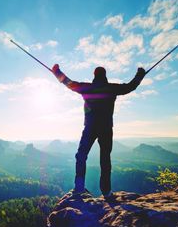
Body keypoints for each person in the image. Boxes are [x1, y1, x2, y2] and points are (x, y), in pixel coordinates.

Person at [52, 64, 146, 198]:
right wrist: (140, 74)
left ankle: (79, 188)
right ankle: (106, 192)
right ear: (105, 75)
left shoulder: (87, 88)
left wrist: (56, 71)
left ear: (94, 75)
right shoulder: (112, 88)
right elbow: (130, 86)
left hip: (90, 127)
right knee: (105, 159)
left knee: (81, 155)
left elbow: (68, 83)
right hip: (106, 128)